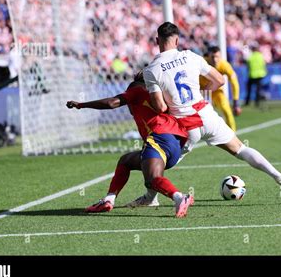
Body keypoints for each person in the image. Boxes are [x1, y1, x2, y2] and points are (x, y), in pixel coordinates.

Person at [135, 22, 281, 206]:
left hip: (185, 126)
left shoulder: (151, 69)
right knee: (241, 149)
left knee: (158, 159)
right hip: (206, 115)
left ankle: (151, 198)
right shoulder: (190, 56)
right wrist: (205, 88)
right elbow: (219, 80)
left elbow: (160, 107)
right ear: (177, 40)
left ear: (156, 40)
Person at [66, 74, 194, 218]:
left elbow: (111, 103)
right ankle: (109, 200)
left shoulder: (137, 89)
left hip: (159, 137)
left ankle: (179, 197)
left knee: (152, 179)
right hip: (176, 144)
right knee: (126, 161)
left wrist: (81, 105)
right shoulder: (161, 94)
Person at [199, 46, 241, 131]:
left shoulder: (224, 65)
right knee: (201, 115)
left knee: (227, 110)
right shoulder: (202, 62)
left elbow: (234, 82)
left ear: (220, 56)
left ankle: (233, 135)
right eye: (213, 57)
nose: (215, 59)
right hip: (201, 91)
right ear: (208, 56)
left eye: (217, 57)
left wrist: (236, 102)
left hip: (216, 91)